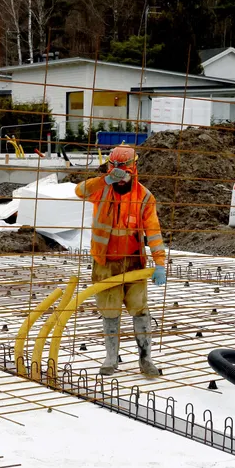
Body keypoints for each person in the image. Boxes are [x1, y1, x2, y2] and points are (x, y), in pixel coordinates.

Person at [74, 144, 168, 377]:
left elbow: (153, 232)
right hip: (105, 263)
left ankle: (146, 359)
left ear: (133, 170)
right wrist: (104, 180)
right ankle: (110, 358)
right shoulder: (101, 190)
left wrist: (159, 263)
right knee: (110, 311)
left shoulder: (144, 197)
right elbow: (80, 191)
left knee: (140, 310)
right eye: (115, 171)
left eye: (124, 172)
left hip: (134, 263)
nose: (120, 177)